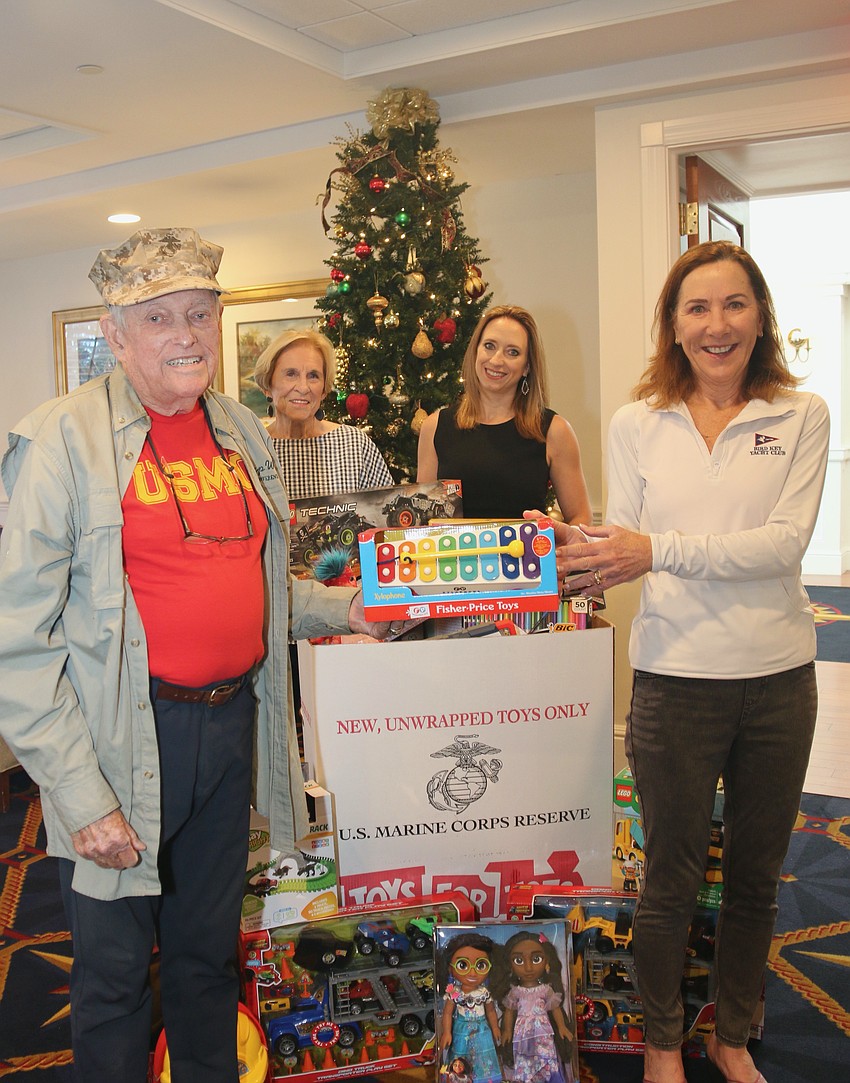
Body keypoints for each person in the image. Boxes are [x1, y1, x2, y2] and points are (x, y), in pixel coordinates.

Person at [0, 228, 396, 1083]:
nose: (185, 334)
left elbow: (253, 579)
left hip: (229, 729)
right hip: (117, 741)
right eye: (159, 318)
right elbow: (17, 644)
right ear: (116, 332)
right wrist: (78, 796)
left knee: (206, 958)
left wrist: (345, 606)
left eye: (199, 313)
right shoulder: (60, 440)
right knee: (110, 977)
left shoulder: (238, 427)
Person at [557, 241, 830, 1083]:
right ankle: (663, 1042)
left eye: (734, 304)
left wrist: (653, 550)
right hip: (673, 678)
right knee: (667, 882)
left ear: (760, 316)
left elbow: (782, 545)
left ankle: (734, 1034)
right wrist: (573, 549)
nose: (716, 325)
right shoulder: (639, 421)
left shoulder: (802, 413)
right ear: (673, 326)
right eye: (697, 308)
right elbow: (622, 545)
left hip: (778, 678)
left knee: (755, 876)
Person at [417, 304, 591, 523]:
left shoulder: (555, 430)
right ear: (475, 351)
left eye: (513, 352)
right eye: (489, 346)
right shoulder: (434, 427)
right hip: (454, 557)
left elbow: (580, 517)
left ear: (527, 366)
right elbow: (423, 521)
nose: (497, 360)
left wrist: (557, 555)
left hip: (527, 557)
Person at [253, 327, 393, 499]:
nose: (303, 388)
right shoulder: (252, 451)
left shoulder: (354, 445)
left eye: (313, 376)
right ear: (268, 386)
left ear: (324, 390)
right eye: (291, 374)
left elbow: (385, 512)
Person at [491, 929, 574, 1083]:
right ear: (509, 965)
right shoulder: (515, 992)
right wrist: (507, 1030)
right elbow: (509, 1011)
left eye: (536, 959)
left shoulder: (545, 989)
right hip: (522, 1032)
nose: (528, 968)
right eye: (519, 961)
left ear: (547, 962)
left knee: (547, 1054)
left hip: (543, 1031)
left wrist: (562, 1027)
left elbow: (555, 1008)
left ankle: (549, 1077)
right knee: (523, 1056)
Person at [437, 931, 503, 1083]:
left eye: (480, 965)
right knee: (461, 1056)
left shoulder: (484, 992)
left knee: (483, 1057)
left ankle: (484, 1079)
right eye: (463, 965)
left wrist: (495, 1028)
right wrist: (446, 1032)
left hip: (482, 1031)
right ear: (450, 968)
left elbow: (491, 1011)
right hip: (462, 1030)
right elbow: (447, 1014)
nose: (472, 972)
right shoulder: (454, 993)